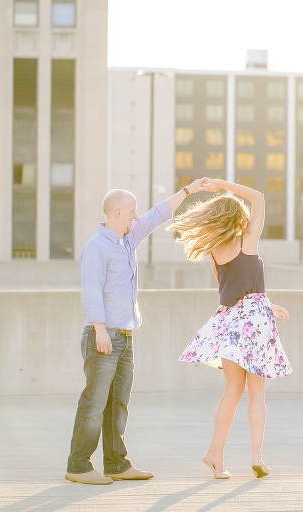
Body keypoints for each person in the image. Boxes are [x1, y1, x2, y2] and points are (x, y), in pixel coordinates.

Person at [66, 179, 207, 485]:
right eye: (132, 211)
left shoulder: (128, 240)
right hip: (102, 336)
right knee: (94, 403)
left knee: (118, 405)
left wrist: (187, 191)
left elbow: (158, 215)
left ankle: (116, 464)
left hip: (126, 337)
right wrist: (100, 330)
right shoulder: (95, 248)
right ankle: (78, 466)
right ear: (117, 212)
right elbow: (91, 293)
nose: (136, 215)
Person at [167, 178, 293, 479]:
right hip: (255, 323)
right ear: (238, 218)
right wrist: (223, 184)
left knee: (232, 390)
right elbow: (259, 196)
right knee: (256, 393)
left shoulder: (213, 252)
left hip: (229, 322)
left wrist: (268, 304)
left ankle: (215, 454)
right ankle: (256, 456)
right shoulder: (247, 241)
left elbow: (235, 287)